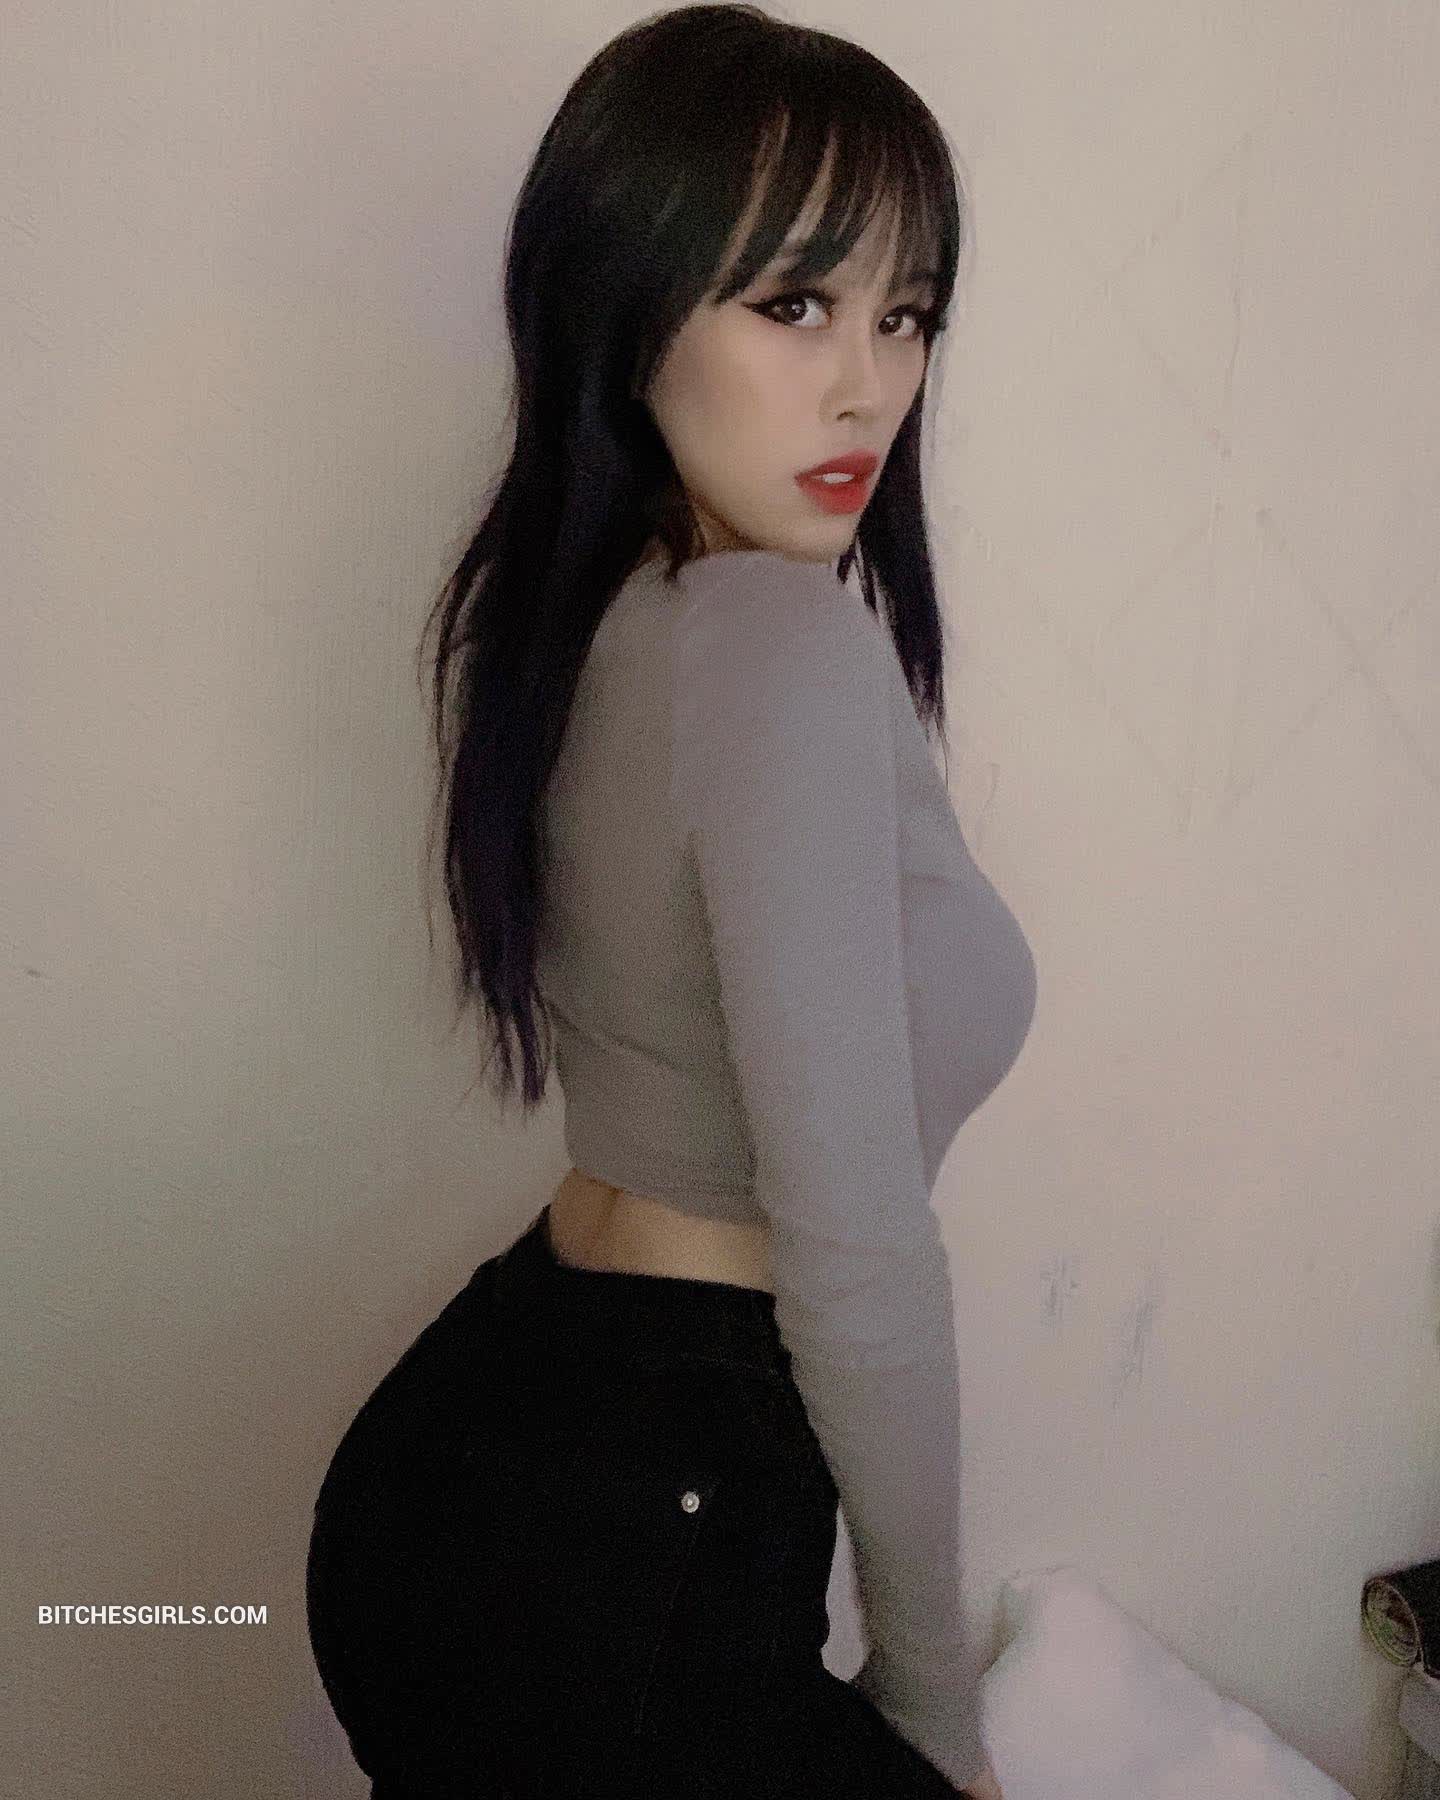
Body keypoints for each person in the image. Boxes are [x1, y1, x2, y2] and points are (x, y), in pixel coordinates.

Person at [305, 6, 1033, 1795]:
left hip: (492, 1418)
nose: (867, 385)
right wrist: (934, 1702)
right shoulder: (775, 644)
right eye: (794, 305)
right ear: (626, 306)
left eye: (906, 313)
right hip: (642, 1513)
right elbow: (855, 1249)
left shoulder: (594, 613)